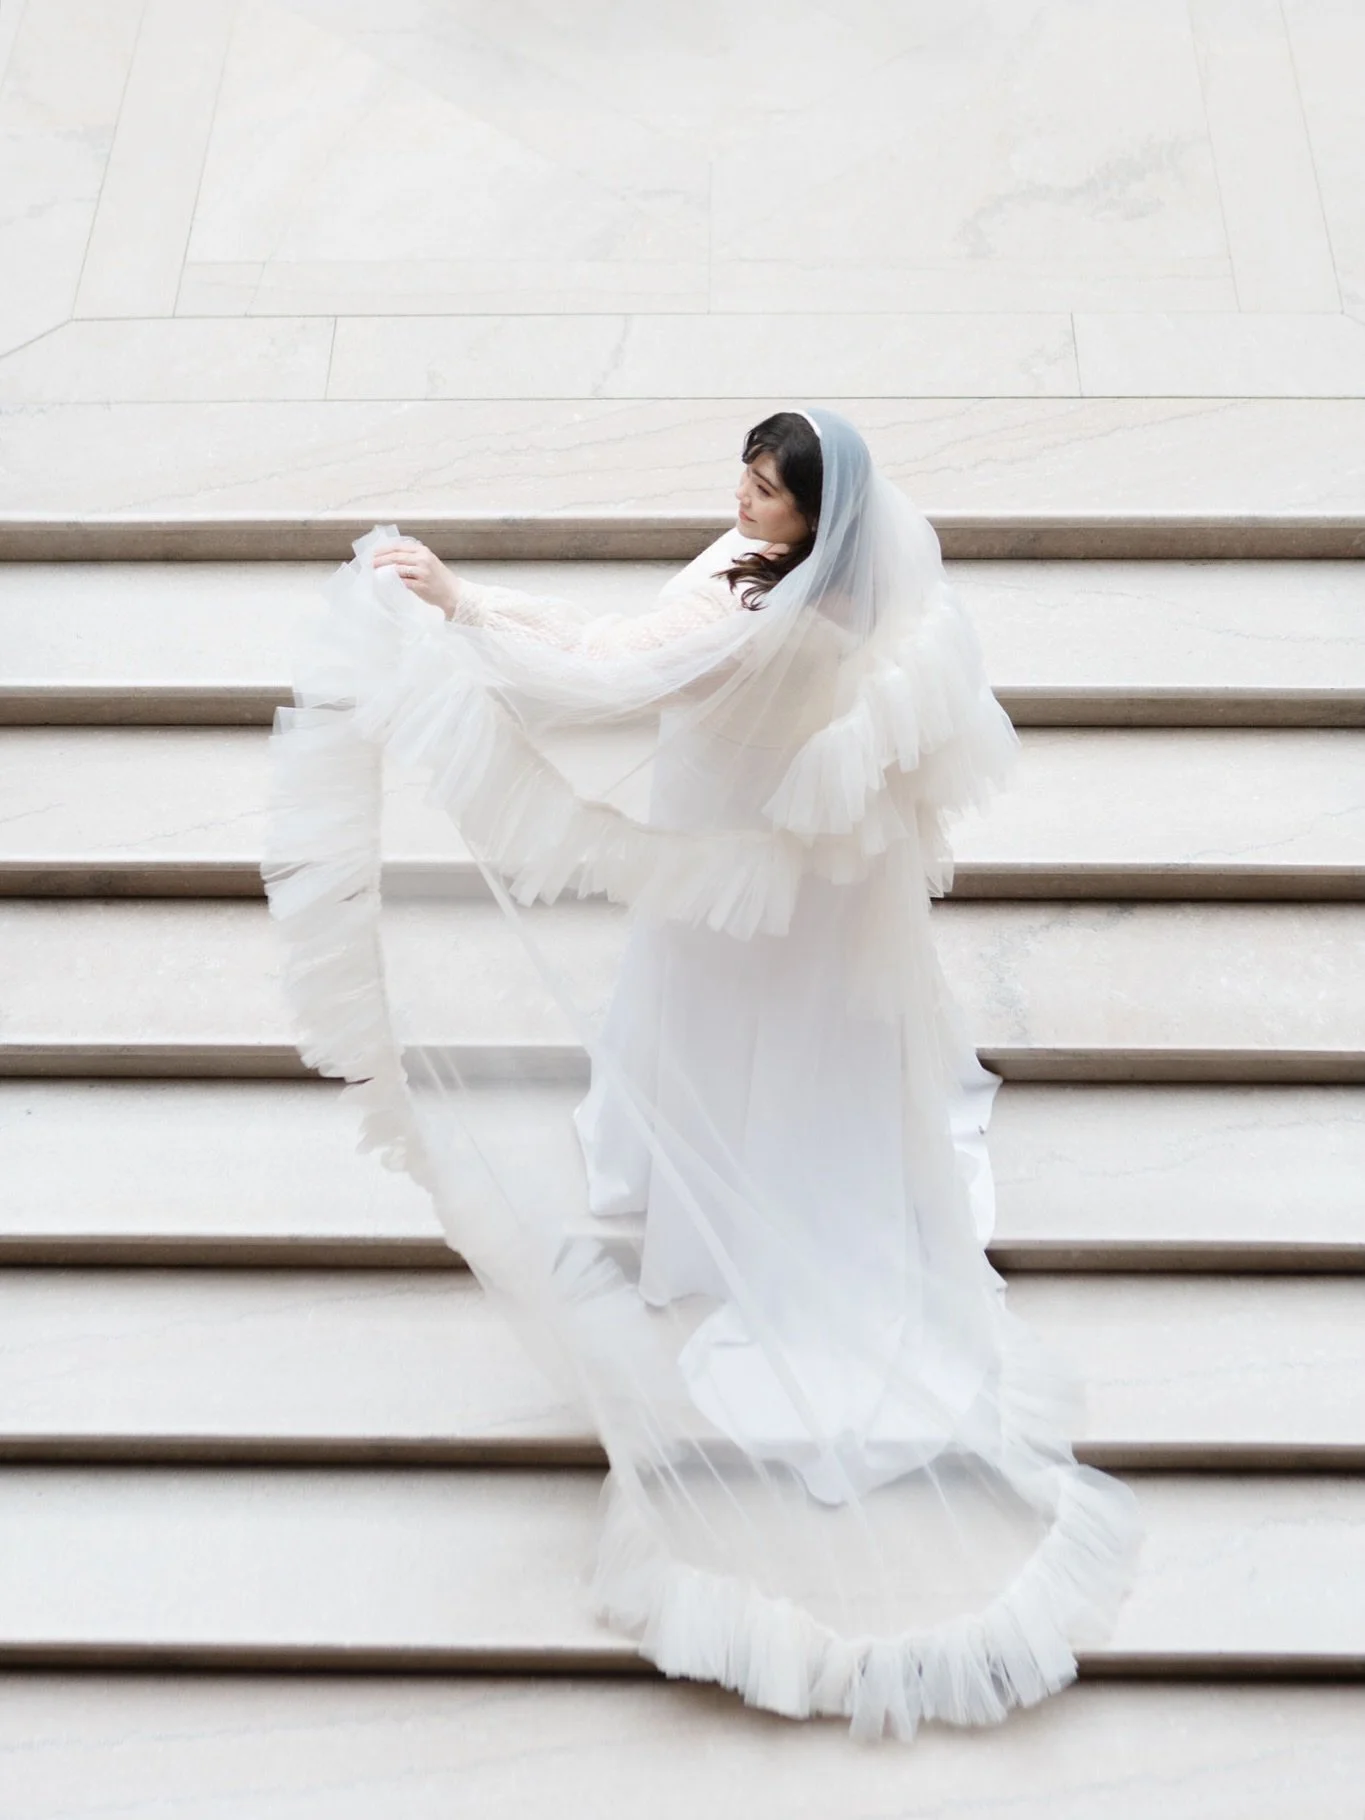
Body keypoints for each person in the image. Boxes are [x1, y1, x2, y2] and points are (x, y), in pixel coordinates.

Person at [263, 407, 1142, 1742]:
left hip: (733, 863)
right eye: (747, 469)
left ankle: (723, 1160)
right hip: (807, 873)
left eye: (769, 488)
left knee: (719, 1012)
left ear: (814, 518)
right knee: (783, 1028)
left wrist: (457, 604)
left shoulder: (749, 617)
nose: (743, 495)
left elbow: (601, 670)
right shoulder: (852, 579)